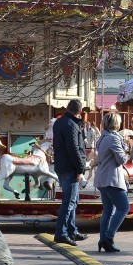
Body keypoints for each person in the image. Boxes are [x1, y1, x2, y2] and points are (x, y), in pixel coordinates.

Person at [93, 112, 130, 253]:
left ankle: (103, 239)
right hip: (112, 178)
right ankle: (108, 238)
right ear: (116, 123)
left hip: (102, 178)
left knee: (108, 210)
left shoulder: (102, 137)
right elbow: (121, 160)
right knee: (123, 208)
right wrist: (127, 151)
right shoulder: (114, 139)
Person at [52, 99, 87, 246]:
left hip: (62, 165)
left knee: (72, 200)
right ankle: (61, 233)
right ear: (79, 111)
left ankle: (72, 230)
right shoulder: (71, 125)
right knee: (69, 201)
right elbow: (74, 149)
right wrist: (80, 168)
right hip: (70, 167)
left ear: (67, 108)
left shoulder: (59, 122)